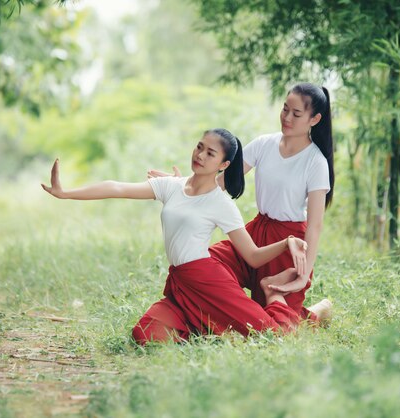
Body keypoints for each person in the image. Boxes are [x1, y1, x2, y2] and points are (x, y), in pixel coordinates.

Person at [42, 128, 310, 344]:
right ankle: (206, 327)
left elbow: (252, 256)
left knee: (269, 335)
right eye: (199, 147)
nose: (201, 155)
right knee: (145, 335)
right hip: (182, 280)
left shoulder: (221, 203)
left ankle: (273, 295)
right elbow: (116, 187)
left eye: (210, 153)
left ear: (224, 164)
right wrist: (66, 193)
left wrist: (286, 242)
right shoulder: (172, 186)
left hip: (208, 280)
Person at [149, 83, 334, 323]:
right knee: (203, 264)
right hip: (257, 232)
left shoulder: (315, 162)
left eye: (296, 114)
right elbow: (218, 183)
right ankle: (214, 314)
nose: (287, 117)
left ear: (314, 119)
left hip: (288, 245)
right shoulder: (264, 144)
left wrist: (303, 275)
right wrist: (179, 185)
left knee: (278, 318)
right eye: (284, 109)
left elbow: (315, 226)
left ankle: (314, 314)